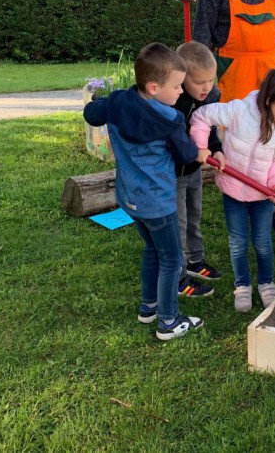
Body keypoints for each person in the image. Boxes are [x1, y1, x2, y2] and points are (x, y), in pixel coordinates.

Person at [84, 43, 210, 341]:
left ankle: (149, 306)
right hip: (159, 202)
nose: (181, 92)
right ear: (154, 88)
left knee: (152, 249)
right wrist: (201, 152)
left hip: (130, 199)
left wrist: (106, 103)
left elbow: (92, 113)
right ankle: (168, 320)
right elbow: (185, 153)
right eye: (177, 86)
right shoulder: (170, 120)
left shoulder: (117, 102)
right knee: (172, 259)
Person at [190, 68, 275, 312]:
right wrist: (202, 146)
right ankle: (242, 286)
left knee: (263, 242)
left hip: (262, 193)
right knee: (238, 242)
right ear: (270, 100)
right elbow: (201, 116)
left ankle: (266, 284)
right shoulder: (239, 111)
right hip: (233, 190)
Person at [173, 41, 226, 299]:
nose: (206, 87)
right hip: (172, 174)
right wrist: (195, 151)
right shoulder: (173, 100)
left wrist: (216, 149)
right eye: (199, 82)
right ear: (182, 78)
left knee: (194, 215)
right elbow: (174, 138)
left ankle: (196, 261)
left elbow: (210, 127)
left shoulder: (211, 96)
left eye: (211, 80)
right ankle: (178, 276)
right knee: (178, 223)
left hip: (193, 171)